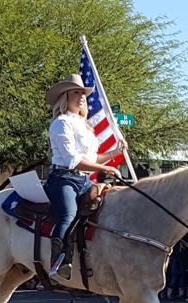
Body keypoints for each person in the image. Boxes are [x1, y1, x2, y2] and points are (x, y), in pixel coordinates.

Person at [43, 74, 123, 278]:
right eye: (76, 92)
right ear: (65, 97)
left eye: (83, 93)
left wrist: (114, 153)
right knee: (67, 214)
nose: (81, 97)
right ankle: (58, 260)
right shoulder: (61, 123)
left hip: (84, 180)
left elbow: (93, 157)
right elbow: (72, 159)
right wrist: (104, 169)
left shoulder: (86, 127)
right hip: (63, 178)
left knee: (107, 206)